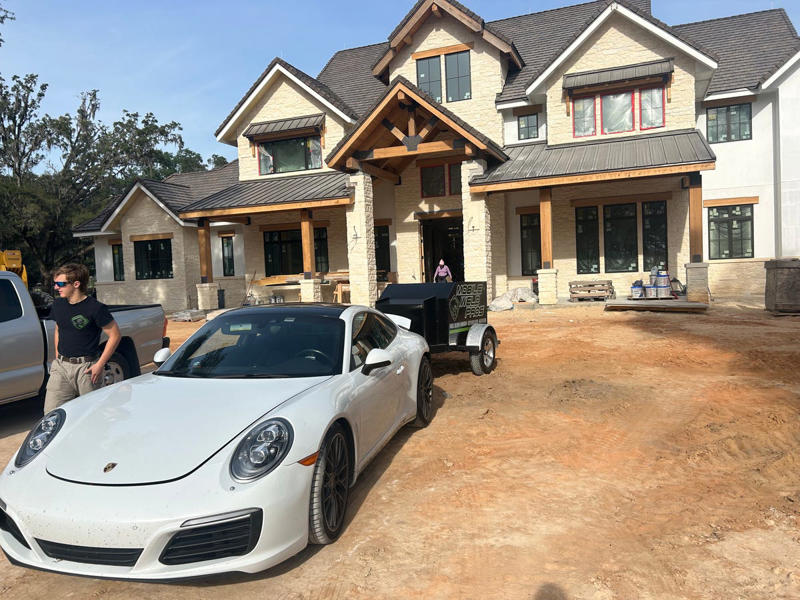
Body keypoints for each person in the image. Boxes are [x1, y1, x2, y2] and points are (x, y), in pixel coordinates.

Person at [44, 263, 121, 414]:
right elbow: (59, 329)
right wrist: (57, 358)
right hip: (61, 367)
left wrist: (100, 364)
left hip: (87, 368)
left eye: (60, 284)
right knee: (51, 415)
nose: (56, 288)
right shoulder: (58, 304)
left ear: (76, 284)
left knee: (91, 415)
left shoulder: (96, 308)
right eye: (55, 284)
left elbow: (115, 335)